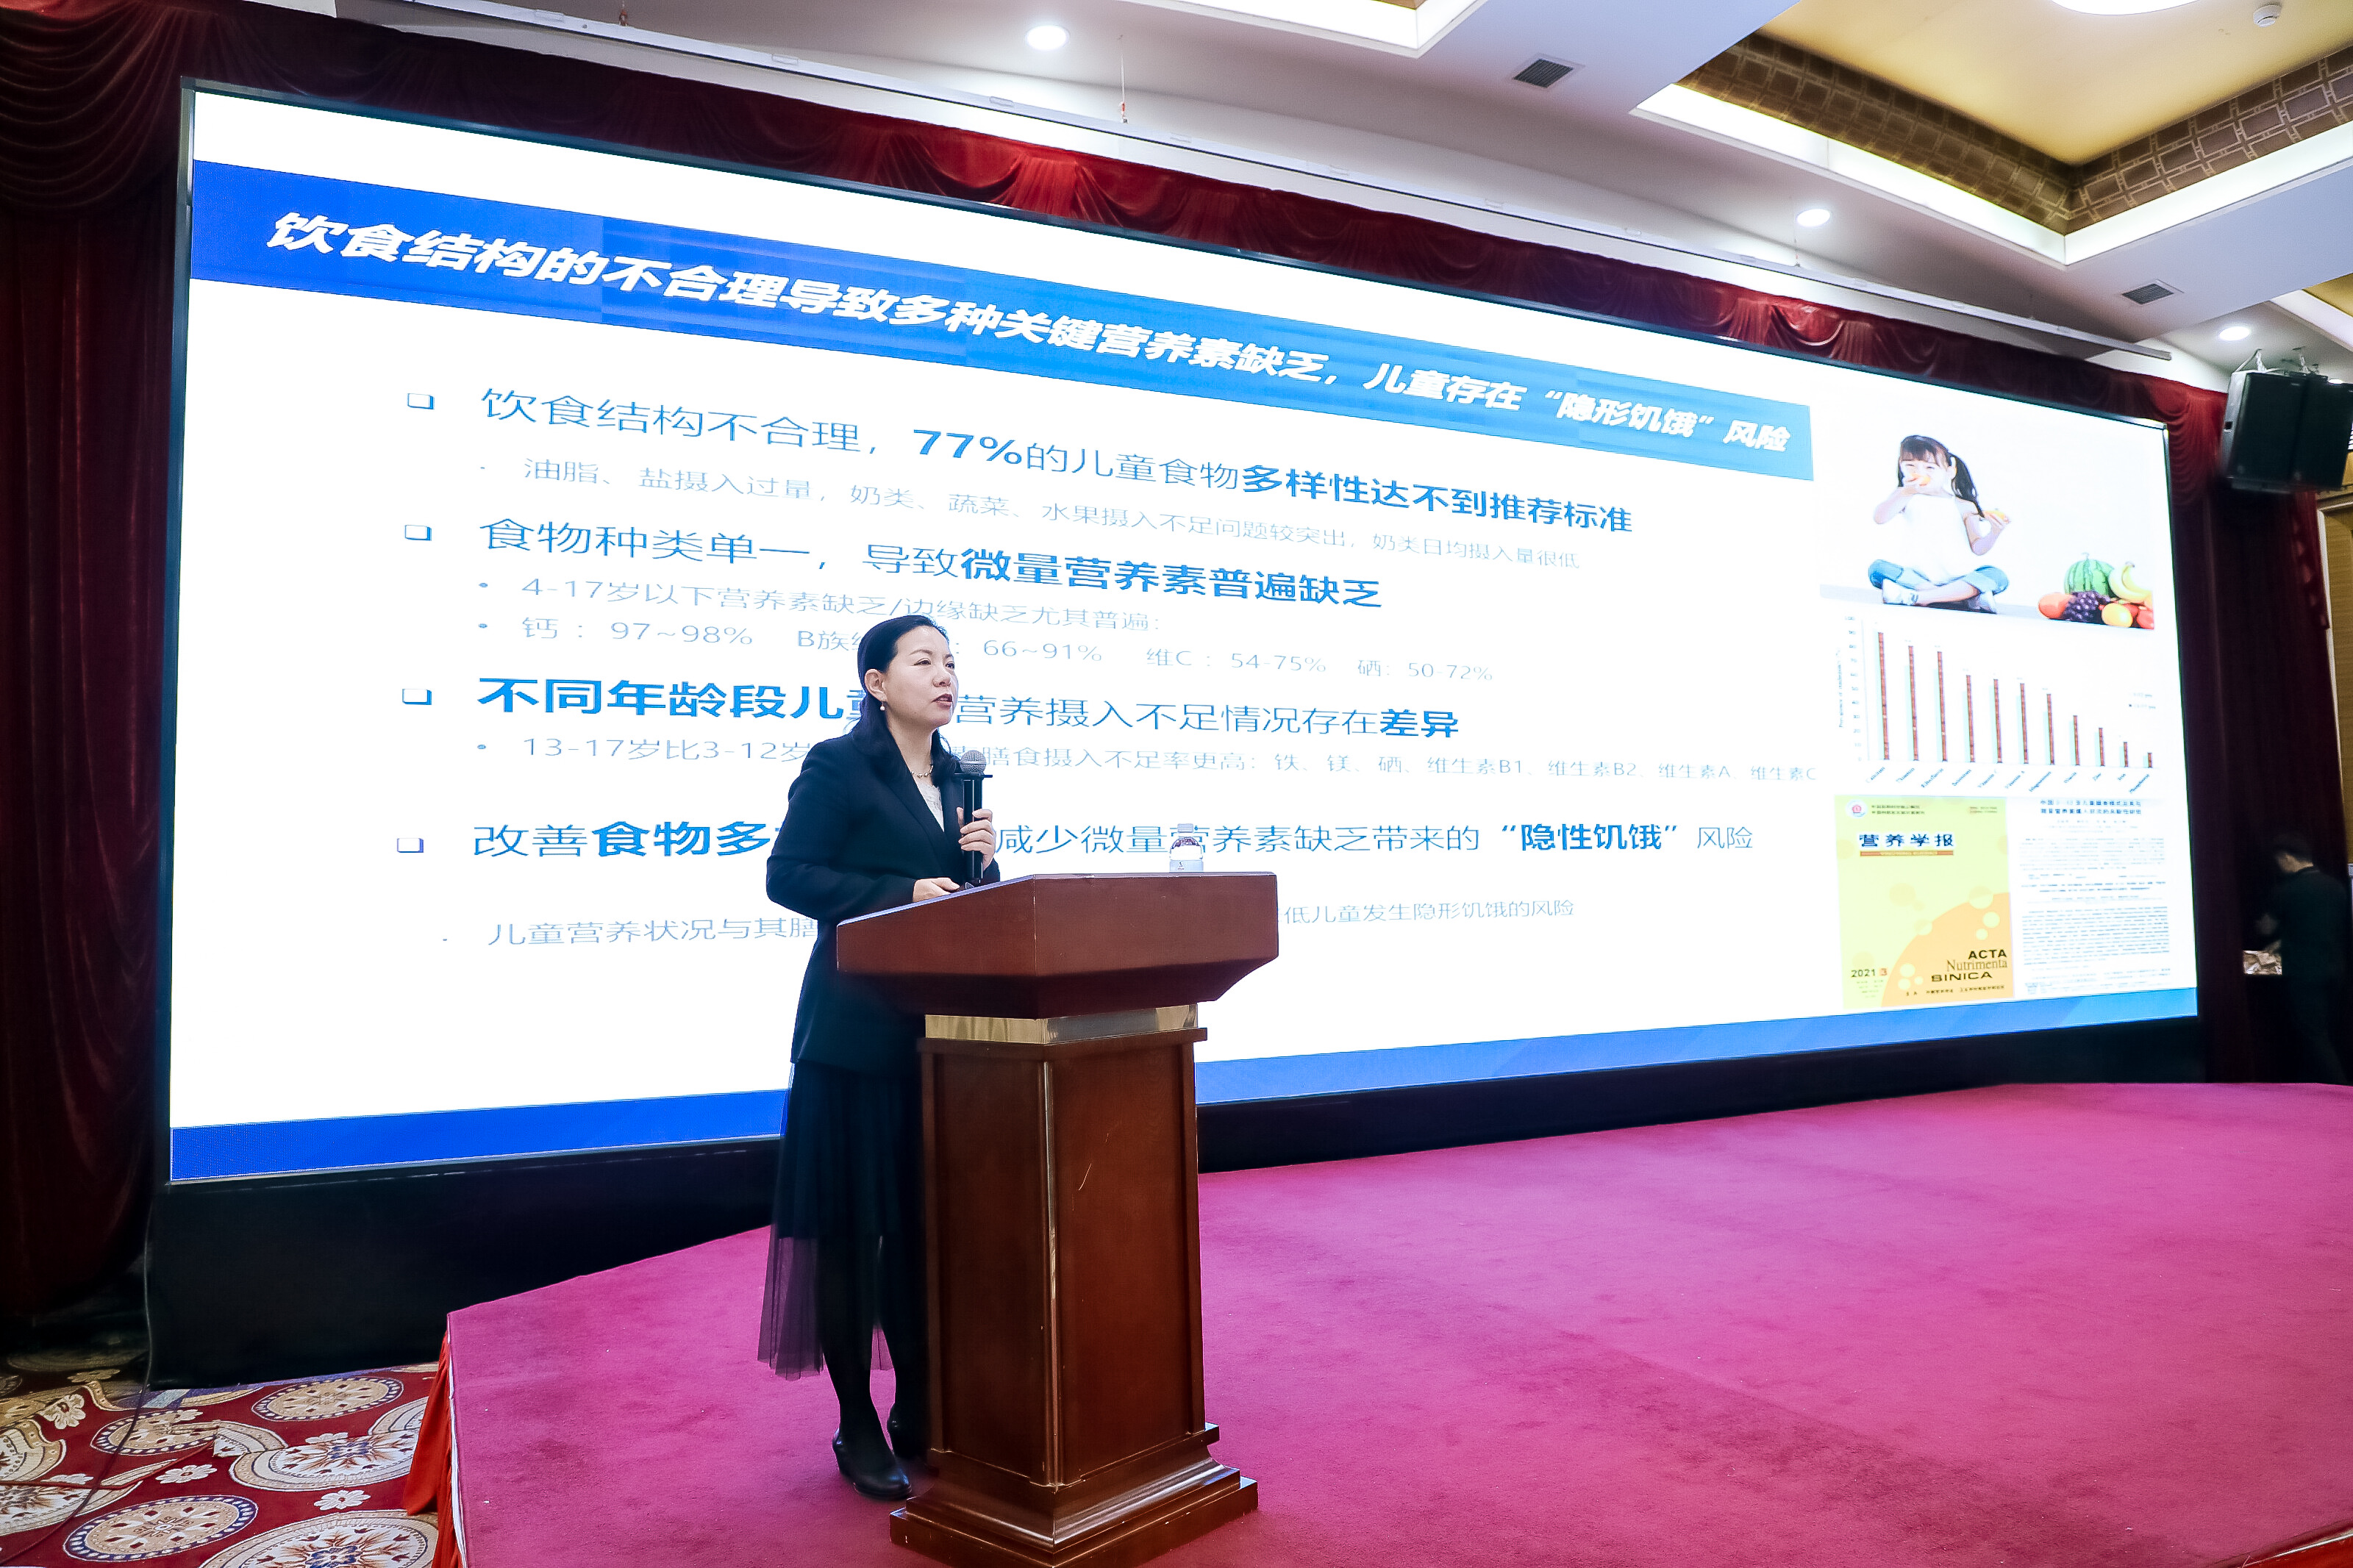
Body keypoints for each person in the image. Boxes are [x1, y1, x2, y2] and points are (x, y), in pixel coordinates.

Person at [758, 615, 999, 1501]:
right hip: (854, 1037)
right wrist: (899, 891)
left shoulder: (958, 777)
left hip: (937, 1040)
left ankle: (920, 1407)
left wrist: (983, 869)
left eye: (951, 663)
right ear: (875, 682)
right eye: (923, 661)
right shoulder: (838, 765)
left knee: (924, 1237)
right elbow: (789, 875)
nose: (944, 676)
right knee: (854, 1236)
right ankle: (855, 1421)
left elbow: (966, 907)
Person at [1867, 434, 2013, 612]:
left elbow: (1978, 548)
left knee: (1997, 576)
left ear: (1949, 472)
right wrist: (1906, 492)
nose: (1920, 473)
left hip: (1958, 578)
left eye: (1930, 467)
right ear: (1901, 466)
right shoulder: (1905, 496)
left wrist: (1995, 532)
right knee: (1878, 568)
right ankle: (1960, 598)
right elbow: (1880, 518)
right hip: (1918, 578)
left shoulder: (1964, 506)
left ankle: (1921, 598)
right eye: (1910, 466)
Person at [2254, 832, 2349, 1084]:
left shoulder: (2286, 891)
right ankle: (2308, 1088)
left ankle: (2342, 1091)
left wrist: (2261, 930)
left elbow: (2266, 929)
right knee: (2327, 1033)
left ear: (2285, 858)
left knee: (2313, 1037)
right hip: (2336, 969)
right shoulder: (2336, 886)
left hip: (2301, 972)